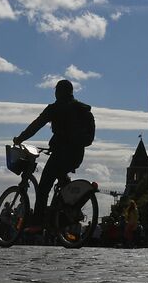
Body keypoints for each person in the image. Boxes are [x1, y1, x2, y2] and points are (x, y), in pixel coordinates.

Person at [12, 79, 94, 230]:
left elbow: (36, 125)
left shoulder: (55, 108)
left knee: (44, 186)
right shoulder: (83, 109)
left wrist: (20, 138)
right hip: (77, 155)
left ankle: (37, 223)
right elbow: (89, 138)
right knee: (61, 176)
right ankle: (65, 207)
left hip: (60, 153)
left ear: (59, 92)